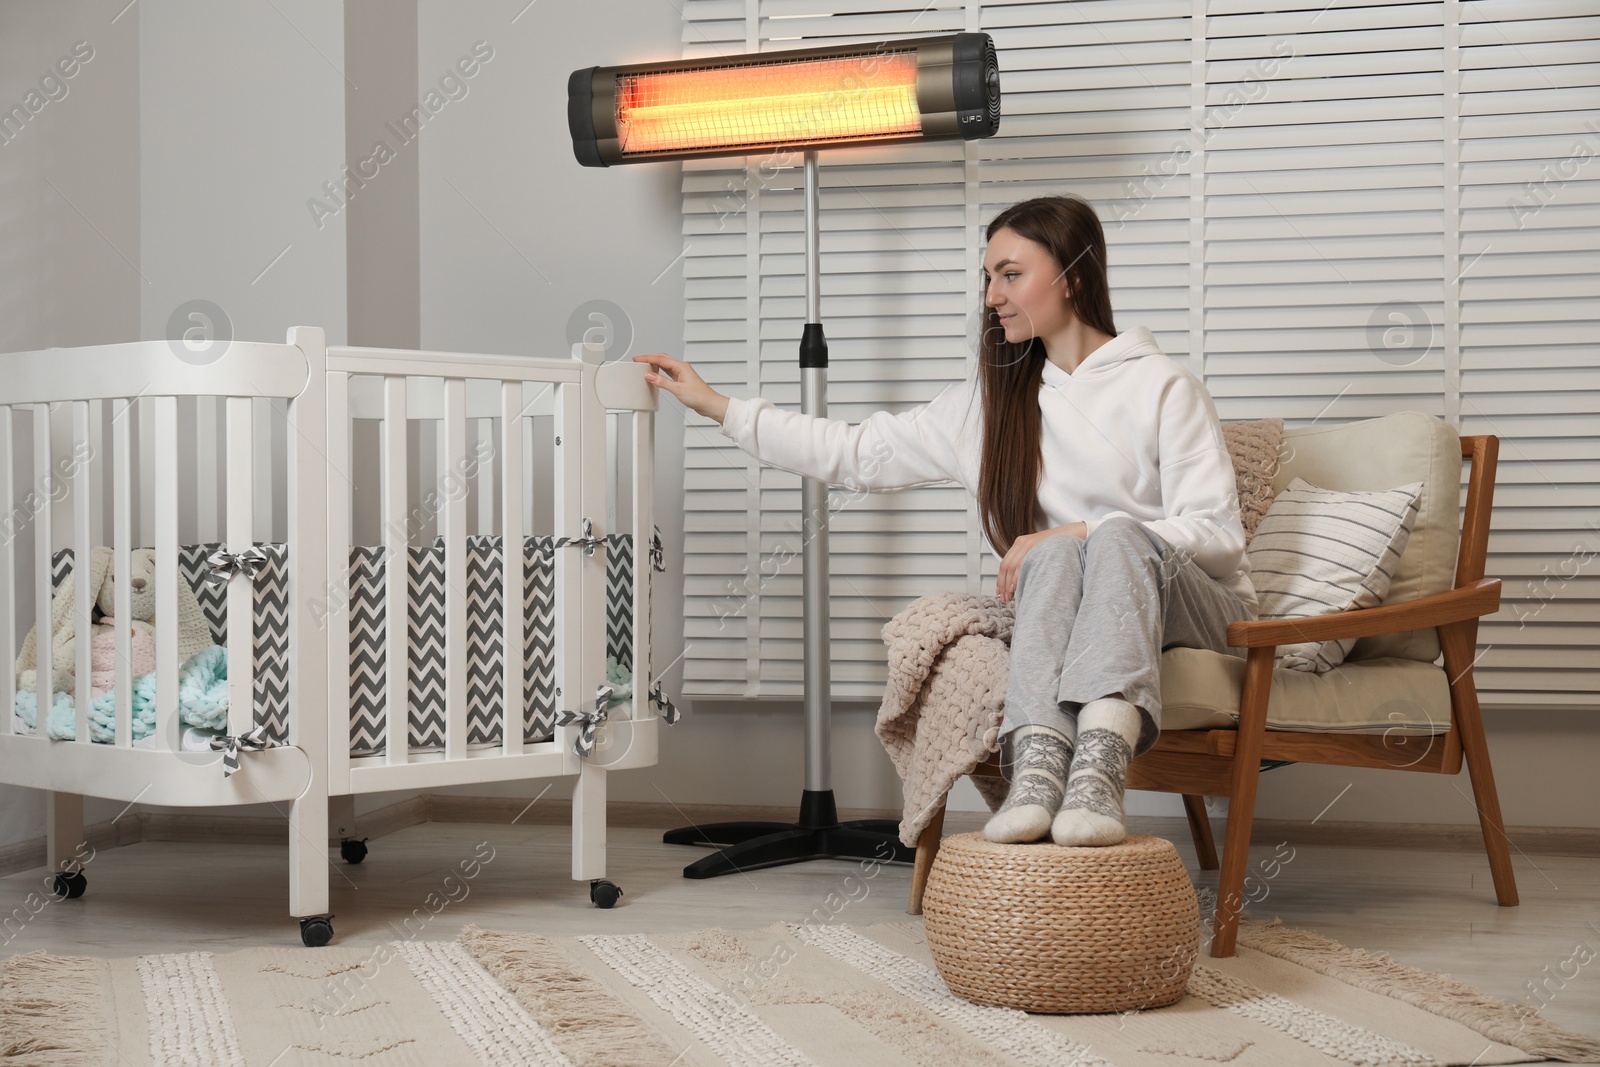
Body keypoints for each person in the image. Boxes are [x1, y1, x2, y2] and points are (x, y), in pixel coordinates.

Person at [635, 194, 1256, 848]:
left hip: (1199, 612)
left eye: (1010, 274)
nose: (992, 295)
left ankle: (1100, 773)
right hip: (1079, 604)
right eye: (987, 277)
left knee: (1104, 537)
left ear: (1072, 276)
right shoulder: (988, 408)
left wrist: (1080, 529)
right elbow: (853, 452)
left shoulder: (1162, 385)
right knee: (1050, 556)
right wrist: (717, 406)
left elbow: (1216, 537)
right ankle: (1040, 775)